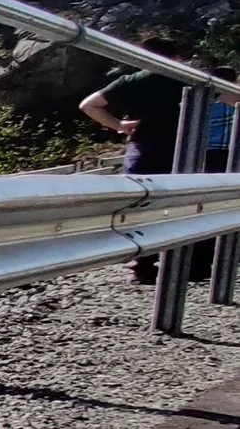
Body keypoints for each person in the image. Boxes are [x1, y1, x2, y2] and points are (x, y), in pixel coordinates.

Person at [80, 55, 235, 283]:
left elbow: (88, 105)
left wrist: (118, 125)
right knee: (195, 208)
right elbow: (233, 99)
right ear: (174, 58)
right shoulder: (189, 81)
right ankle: (190, 264)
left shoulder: (130, 81)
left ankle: (143, 264)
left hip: (143, 149)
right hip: (185, 152)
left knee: (143, 206)